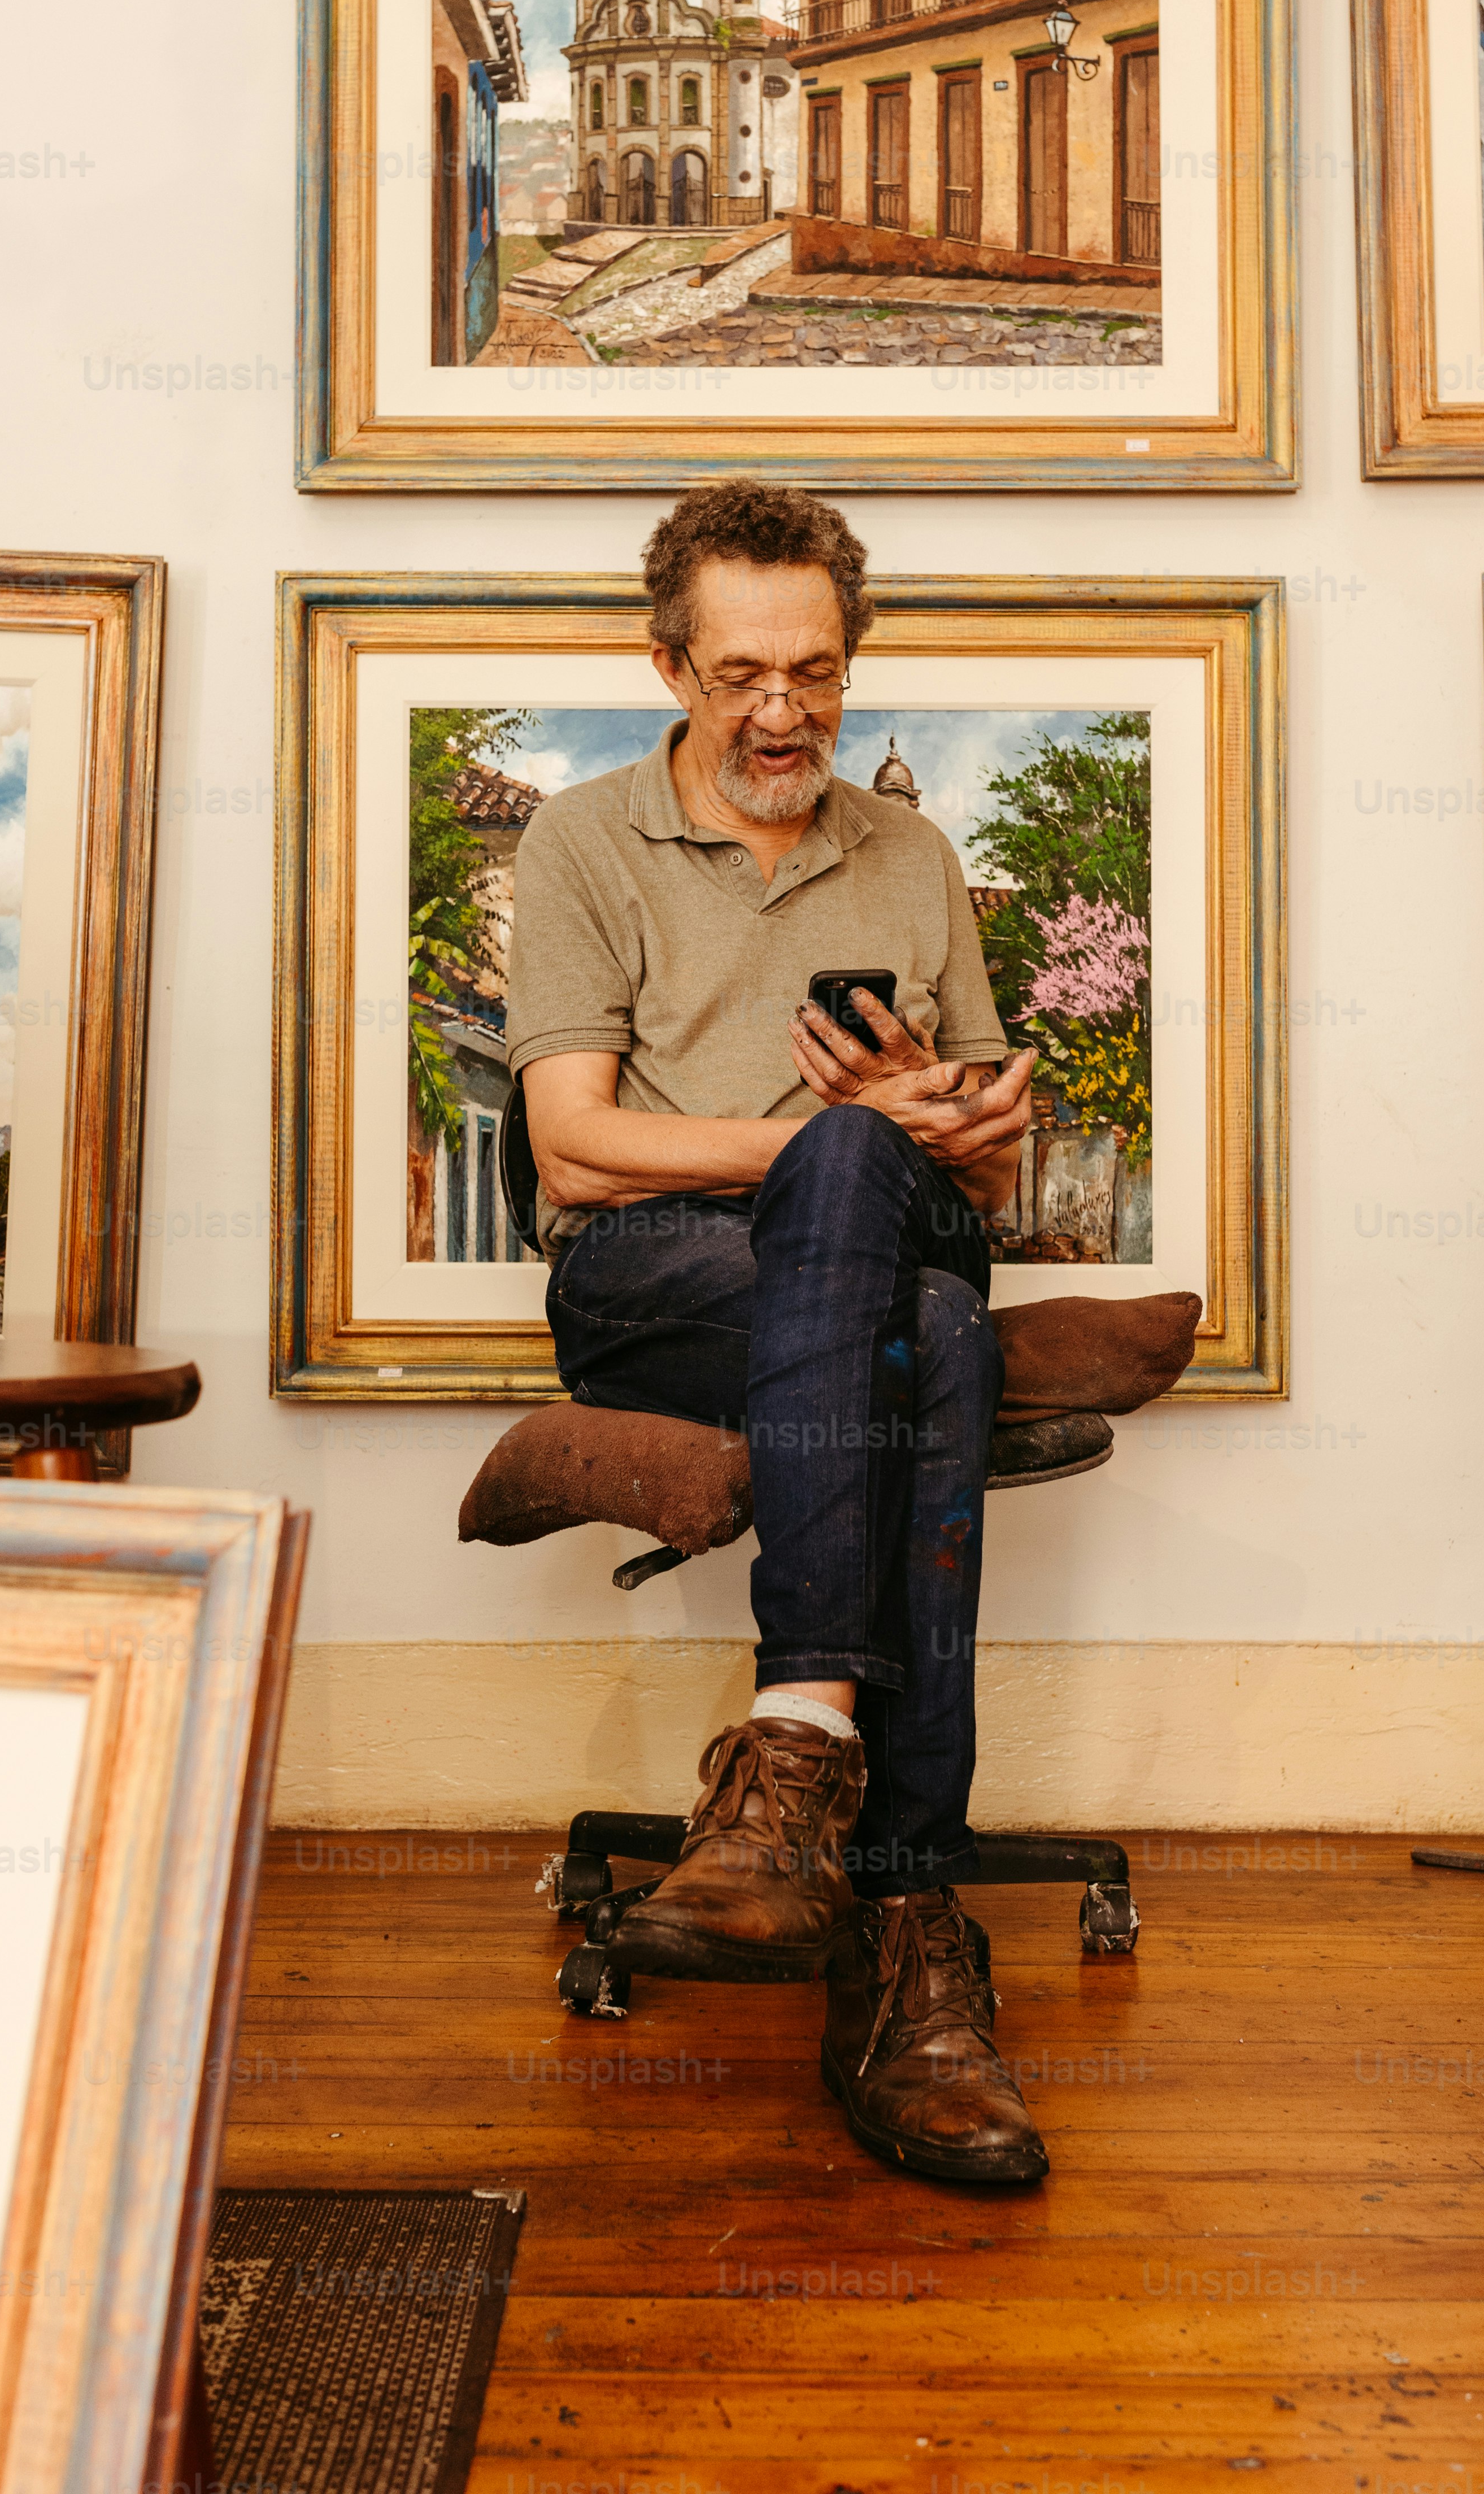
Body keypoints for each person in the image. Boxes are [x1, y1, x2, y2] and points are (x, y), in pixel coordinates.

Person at [506, 480, 1051, 2186]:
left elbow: (990, 1134)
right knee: (929, 1322)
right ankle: (907, 1919)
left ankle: (805, 1763)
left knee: (929, 1301)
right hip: (656, 1277)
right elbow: (574, 1138)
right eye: (742, 673)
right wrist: (839, 1143)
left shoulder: (912, 854)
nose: (782, 711)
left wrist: (958, 1128)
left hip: (876, 1262)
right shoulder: (585, 839)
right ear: (670, 664)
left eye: (815, 673)